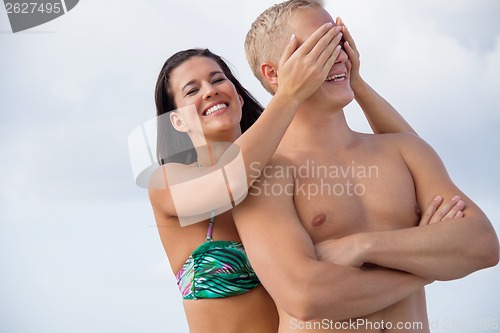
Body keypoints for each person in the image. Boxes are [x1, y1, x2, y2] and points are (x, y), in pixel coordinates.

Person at [142, 17, 443, 333]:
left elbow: (415, 161)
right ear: (177, 122)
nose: (210, 91)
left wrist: (357, 83)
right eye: (192, 90)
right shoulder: (167, 181)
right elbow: (231, 183)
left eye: (217, 80)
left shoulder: (282, 171)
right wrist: (427, 269)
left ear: (239, 96)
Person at [233, 1, 499, 332]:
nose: (339, 54)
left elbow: (482, 245)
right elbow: (305, 296)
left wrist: (361, 246)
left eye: (340, 39)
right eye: (320, 46)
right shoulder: (265, 174)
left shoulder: (402, 149)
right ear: (274, 74)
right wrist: (433, 265)